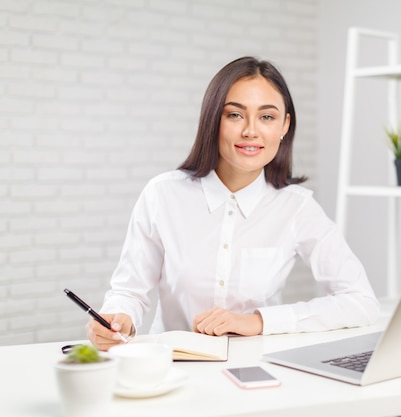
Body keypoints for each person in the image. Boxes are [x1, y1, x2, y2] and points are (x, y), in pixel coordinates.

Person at [87, 56, 380, 351]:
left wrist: (259, 321)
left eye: (266, 117)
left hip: (255, 365)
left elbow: (361, 302)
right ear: (213, 120)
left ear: (284, 126)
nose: (250, 131)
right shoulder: (163, 195)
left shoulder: (298, 208)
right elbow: (128, 291)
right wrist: (118, 317)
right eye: (235, 115)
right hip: (172, 365)